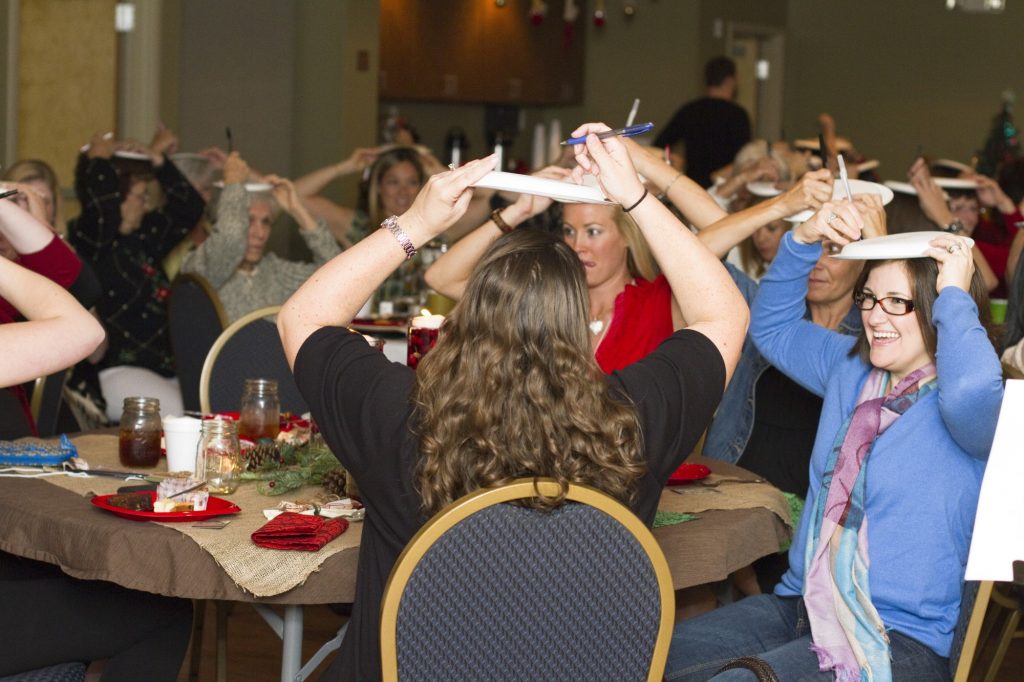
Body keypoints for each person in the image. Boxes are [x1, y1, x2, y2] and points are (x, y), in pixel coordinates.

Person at [278, 123, 749, 681]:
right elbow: (725, 315)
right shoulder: (631, 418)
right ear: (576, 322)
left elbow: (302, 317)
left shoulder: (402, 418)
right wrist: (637, 197)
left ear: (467, 317)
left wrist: (418, 224)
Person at [666, 200, 1003, 680]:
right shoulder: (850, 367)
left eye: (897, 302)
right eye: (869, 298)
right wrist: (802, 240)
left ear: (934, 309)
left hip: (899, 637)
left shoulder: (966, 408)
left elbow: (973, 388)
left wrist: (955, 291)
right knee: (645, 652)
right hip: (803, 603)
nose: (873, 316)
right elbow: (772, 328)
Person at [69, 127, 206, 420]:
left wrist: (159, 162)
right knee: (187, 423)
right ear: (116, 198)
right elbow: (102, 215)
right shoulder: (89, 239)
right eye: (140, 197)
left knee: (206, 413)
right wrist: (99, 163)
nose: (146, 206)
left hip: (166, 372)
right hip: (116, 372)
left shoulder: (143, 237)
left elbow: (189, 208)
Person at [181, 152, 341, 324]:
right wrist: (234, 182)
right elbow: (230, 241)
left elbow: (338, 275)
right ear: (226, 218)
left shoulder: (276, 272)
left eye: (266, 222)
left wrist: (298, 211)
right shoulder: (204, 266)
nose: (260, 233)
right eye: (248, 220)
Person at [654, 56, 752, 189]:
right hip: (725, 187)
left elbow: (660, 144)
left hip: (692, 186)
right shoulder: (738, 115)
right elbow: (745, 157)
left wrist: (674, 165)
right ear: (730, 81)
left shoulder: (690, 110)